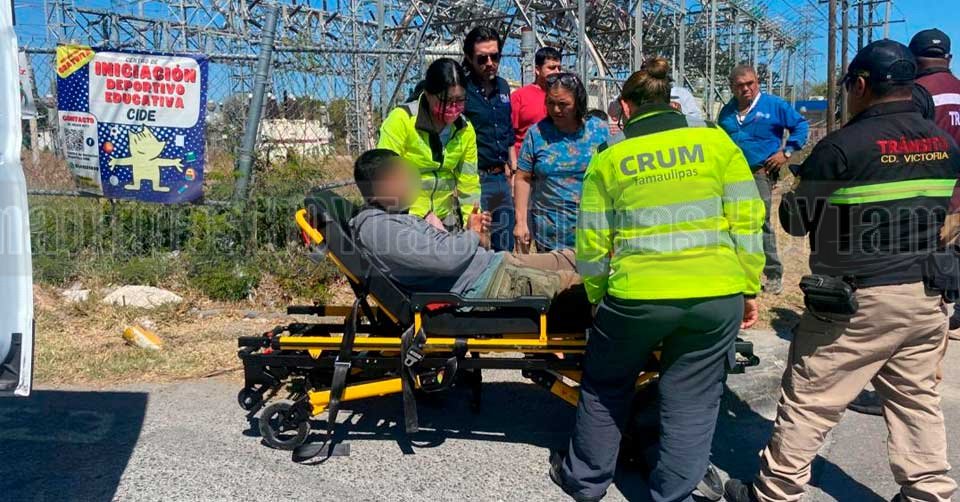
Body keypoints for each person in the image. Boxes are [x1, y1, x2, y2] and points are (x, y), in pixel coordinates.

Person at [724, 40, 959, 502]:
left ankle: (775, 492)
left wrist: (798, 190)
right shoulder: (943, 144)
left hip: (857, 303)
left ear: (862, 85)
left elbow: (796, 221)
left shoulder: (842, 147)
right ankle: (928, 492)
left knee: (811, 398)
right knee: (915, 400)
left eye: (849, 86)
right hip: (926, 296)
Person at [550, 57, 765, 502]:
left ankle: (585, 481)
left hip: (637, 298)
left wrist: (596, 295)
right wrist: (748, 287)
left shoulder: (610, 159)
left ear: (626, 109)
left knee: (606, 384)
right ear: (671, 103)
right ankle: (674, 493)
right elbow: (747, 221)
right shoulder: (716, 144)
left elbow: (591, 242)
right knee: (693, 398)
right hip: (715, 294)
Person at [350, 148, 580, 300]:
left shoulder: (394, 216)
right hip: (488, 283)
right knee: (583, 286)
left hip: (493, 265)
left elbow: (441, 250)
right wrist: (471, 236)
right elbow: (445, 260)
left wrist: (472, 233)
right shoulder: (379, 229)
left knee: (577, 259)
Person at [718, 64, 809, 295]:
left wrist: (786, 152)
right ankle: (739, 270)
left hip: (760, 173)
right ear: (732, 87)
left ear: (757, 82)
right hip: (731, 176)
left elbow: (800, 125)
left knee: (760, 222)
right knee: (732, 222)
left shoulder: (774, 105)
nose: (746, 89)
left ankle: (773, 274)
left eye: (750, 83)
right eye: (740, 85)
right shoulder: (726, 113)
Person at [377, 58, 480, 231]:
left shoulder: (465, 129)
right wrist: (422, 214)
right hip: (405, 217)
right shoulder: (401, 120)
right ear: (428, 94)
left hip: (443, 219)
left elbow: (469, 183)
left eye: (460, 101)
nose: (453, 108)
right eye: (446, 101)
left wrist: (473, 221)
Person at [513, 73, 609, 252]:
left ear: (578, 103)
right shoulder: (536, 134)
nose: (556, 110)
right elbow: (523, 178)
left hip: (594, 235)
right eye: (551, 103)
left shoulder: (599, 131)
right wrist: (521, 222)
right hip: (550, 238)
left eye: (563, 104)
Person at [462, 26, 516, 252]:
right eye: (482, 58)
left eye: (495, 56)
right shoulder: (462, 90)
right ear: (469, 58)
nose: (490, 63)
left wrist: (513, 171)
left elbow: (507, 130)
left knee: (506, 245)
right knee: (480, 244)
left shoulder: (503, 87)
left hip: (502, 179)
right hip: (476, 179)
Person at [511, 47, 563, 159]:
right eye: (551, 68)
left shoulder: (563, 98)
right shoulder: (519, 97)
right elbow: (508, 134)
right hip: (524, 161)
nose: (557, 72)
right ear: (538, 70)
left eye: (559, 68)